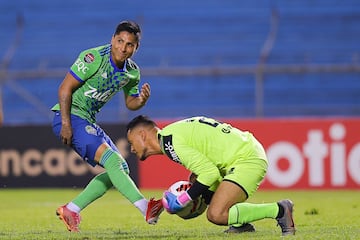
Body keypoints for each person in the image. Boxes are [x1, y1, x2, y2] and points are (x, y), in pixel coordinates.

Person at [51, 21, 163, 232]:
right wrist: (66, 123)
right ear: (112, 39)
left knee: (121, 168)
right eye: (120, 41)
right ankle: (145, 208)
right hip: (71, 116)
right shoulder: (93, 58)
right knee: (113, 162)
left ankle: (71, 209)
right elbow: (65, 88)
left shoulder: (131, 72)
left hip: (88, 120)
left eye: (129, 44)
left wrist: (141, 100)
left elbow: (131, 103)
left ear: (136, 48)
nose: (123, 47)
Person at [126, 115, 296, 236]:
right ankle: (239, 223)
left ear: (142, 134)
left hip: (246, 159)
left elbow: (210, 174)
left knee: (216, 214)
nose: (132, 149)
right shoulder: (171, 134)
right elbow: (204, 174)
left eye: (131, 143)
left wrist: (182, 200)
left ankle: (280, 210)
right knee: (194, 180)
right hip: (243, 152)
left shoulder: (171, 143)